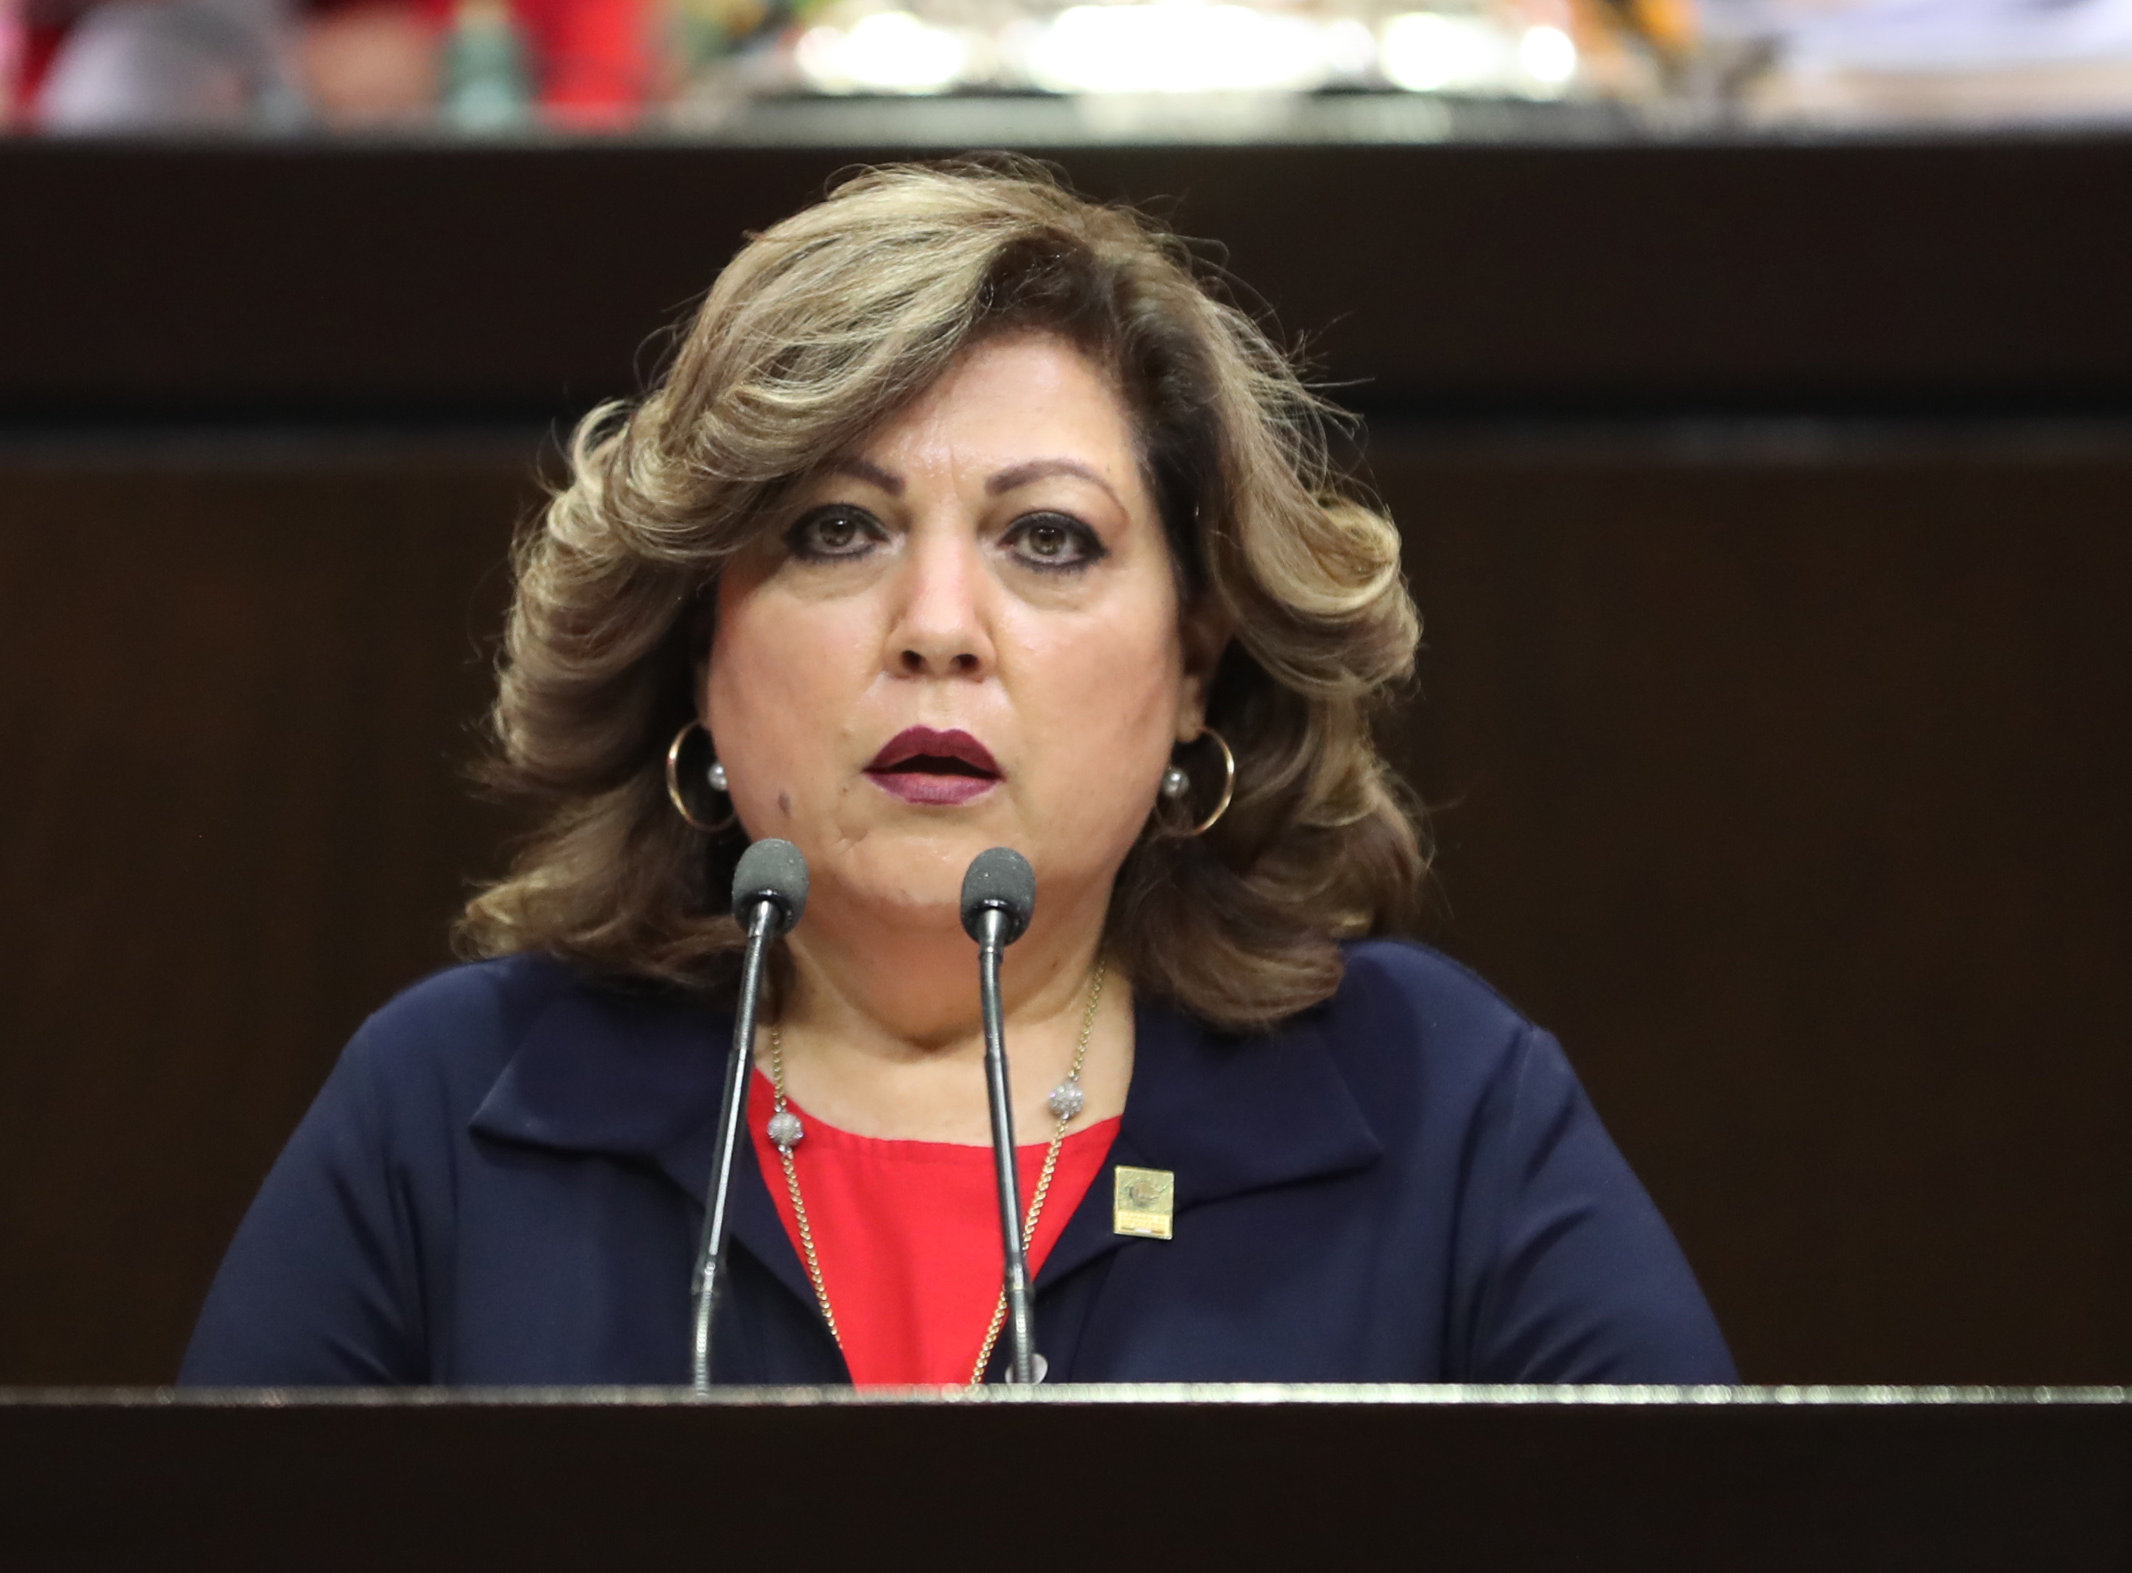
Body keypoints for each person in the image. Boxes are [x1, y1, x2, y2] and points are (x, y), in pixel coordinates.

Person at [181, 160, 1735, 1387]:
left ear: (1196, 662)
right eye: (834, 530)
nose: (936, 627)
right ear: (697, 648)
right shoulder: (453, 1105)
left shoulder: (1437, 1103)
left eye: (1046, 539)